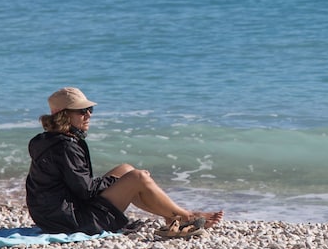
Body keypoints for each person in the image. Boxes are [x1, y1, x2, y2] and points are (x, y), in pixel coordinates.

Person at [25, 87, 223, 236]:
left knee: (125, 169)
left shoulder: (49, 139)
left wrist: (122, 179)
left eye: (90, 109)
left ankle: (172, 216)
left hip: (51, 216)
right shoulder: (65, 146)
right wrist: (122, 182)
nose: (88, 115)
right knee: (136, 177)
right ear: (63, 116)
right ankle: (186, 216)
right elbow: (85, 191)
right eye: (81, 111)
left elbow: (78, 186)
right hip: (70, 221)